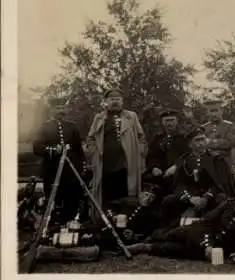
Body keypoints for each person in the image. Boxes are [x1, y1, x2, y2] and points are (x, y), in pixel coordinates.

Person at [127, 184, 235, 265]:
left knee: (173, 248)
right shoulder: (228, 205)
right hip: (201, 235)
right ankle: (146, 238)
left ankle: (144, 247)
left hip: (214, 253)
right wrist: (207, 244)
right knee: (174, 233)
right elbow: (207, 221)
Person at [86, 88, 147, 224]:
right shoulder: (99, 118)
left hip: (127, 164)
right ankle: (106, 224)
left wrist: (139, 153)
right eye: (112, 99)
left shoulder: (131, 116)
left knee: (127, 195)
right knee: (106, 196)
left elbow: (141, 137)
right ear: (106, 102)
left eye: (118, 99)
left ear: (122, 101)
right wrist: (94, 153)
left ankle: (127, 224)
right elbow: (90, 139)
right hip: (105, 164)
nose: (115, 102)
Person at [159, 128, 235, 229]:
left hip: (212, 195)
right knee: (168, 200)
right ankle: (167, 230)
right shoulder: (185, 160)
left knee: (222, 200)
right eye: (197, 140)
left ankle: (220, 231)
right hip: (191, 196)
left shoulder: (216, 160)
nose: (201, 143)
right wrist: (190, 197)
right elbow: (180, 183)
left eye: (203, 139)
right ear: (190, 144)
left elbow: (220, 183)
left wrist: (206, 197)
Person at [32, 97, 87, 224]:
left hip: (71, 170)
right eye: (58, 108)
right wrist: (52, 150)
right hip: (52, 170)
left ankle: (70, 224)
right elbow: (37, 147)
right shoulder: (44, 127)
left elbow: (79, 150)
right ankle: (52, 225)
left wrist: (82, 166)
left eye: (63, 108)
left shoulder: (72, 127)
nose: (61, 110)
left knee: (71, 198)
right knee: (53, 198)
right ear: (51, 110)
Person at [143, 108, 190, 195]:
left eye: (172, 120)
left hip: (181, 172)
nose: (169, 123)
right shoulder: (158, 138)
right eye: (166, 121)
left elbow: (189, 155)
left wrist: (176, 166)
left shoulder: (185, 137)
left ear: (177, 121)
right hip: (161, 172)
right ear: (162, 122)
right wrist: (154, 167)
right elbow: (151, 156)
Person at [202, 99, 235, 169]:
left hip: (225, 161)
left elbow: (230, 143)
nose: (214, 114)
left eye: (216, 111)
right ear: (208, 113)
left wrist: (209, 142)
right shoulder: (204, 127)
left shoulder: (229, 125)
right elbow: (202, 144)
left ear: (221, 111)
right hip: (209, 163)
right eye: (211, 111)